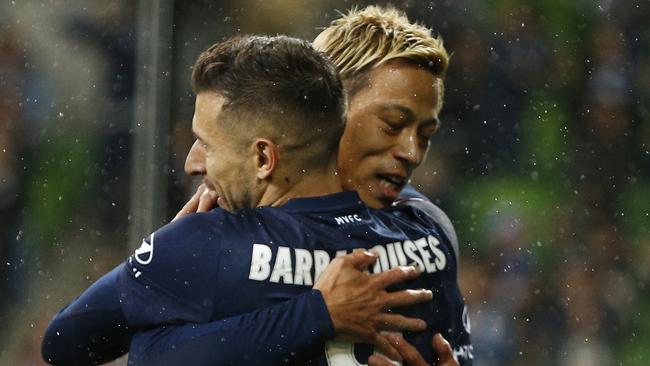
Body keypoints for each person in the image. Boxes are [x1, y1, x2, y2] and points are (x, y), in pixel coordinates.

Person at [42, 35, 464, 365]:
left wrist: (314, 316)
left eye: (207, 143)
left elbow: (66, 344)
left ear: (264, 157)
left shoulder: (205, 245)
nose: (192, 163)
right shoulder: (426, 236)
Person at [175, 6, 472, 365]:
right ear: (330, 110)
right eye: (392, 125)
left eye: (425, 135)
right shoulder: (224, 231)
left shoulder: (425, 230)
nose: (412, 152)